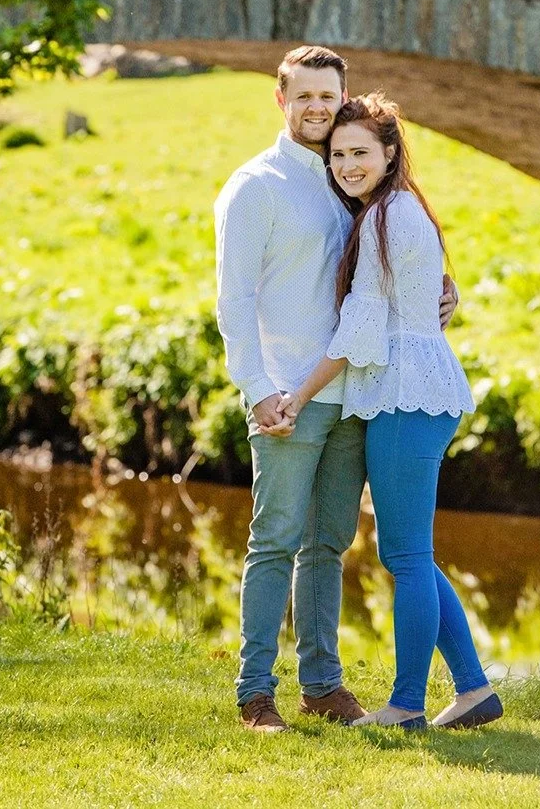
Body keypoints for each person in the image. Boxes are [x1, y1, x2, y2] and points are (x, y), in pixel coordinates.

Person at [214, 47, 458, 733]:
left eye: (329, 95)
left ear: (343, 96)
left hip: (359, 394)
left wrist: (442, 291)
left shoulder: (351, 175)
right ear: (281, 99)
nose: (317, 108)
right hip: (288, 394)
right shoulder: (254, 186)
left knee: (329, 542)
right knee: (275, 540)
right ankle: (254, 694)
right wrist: (259, 388)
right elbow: (233, 301)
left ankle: (321, 683)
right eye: (305, 96)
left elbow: (395, 263)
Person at [279, 92, 503, 730]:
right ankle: (474, 691)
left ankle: (406, 705)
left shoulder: (384, 218)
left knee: (405, 558)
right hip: (416, 394)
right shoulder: (399, 209)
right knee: (414, 557)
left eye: (359, 154)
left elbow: (358, 336)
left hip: (408, 397)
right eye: (339, 155)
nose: (347, 165)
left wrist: (296, 396)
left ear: (389, 154)